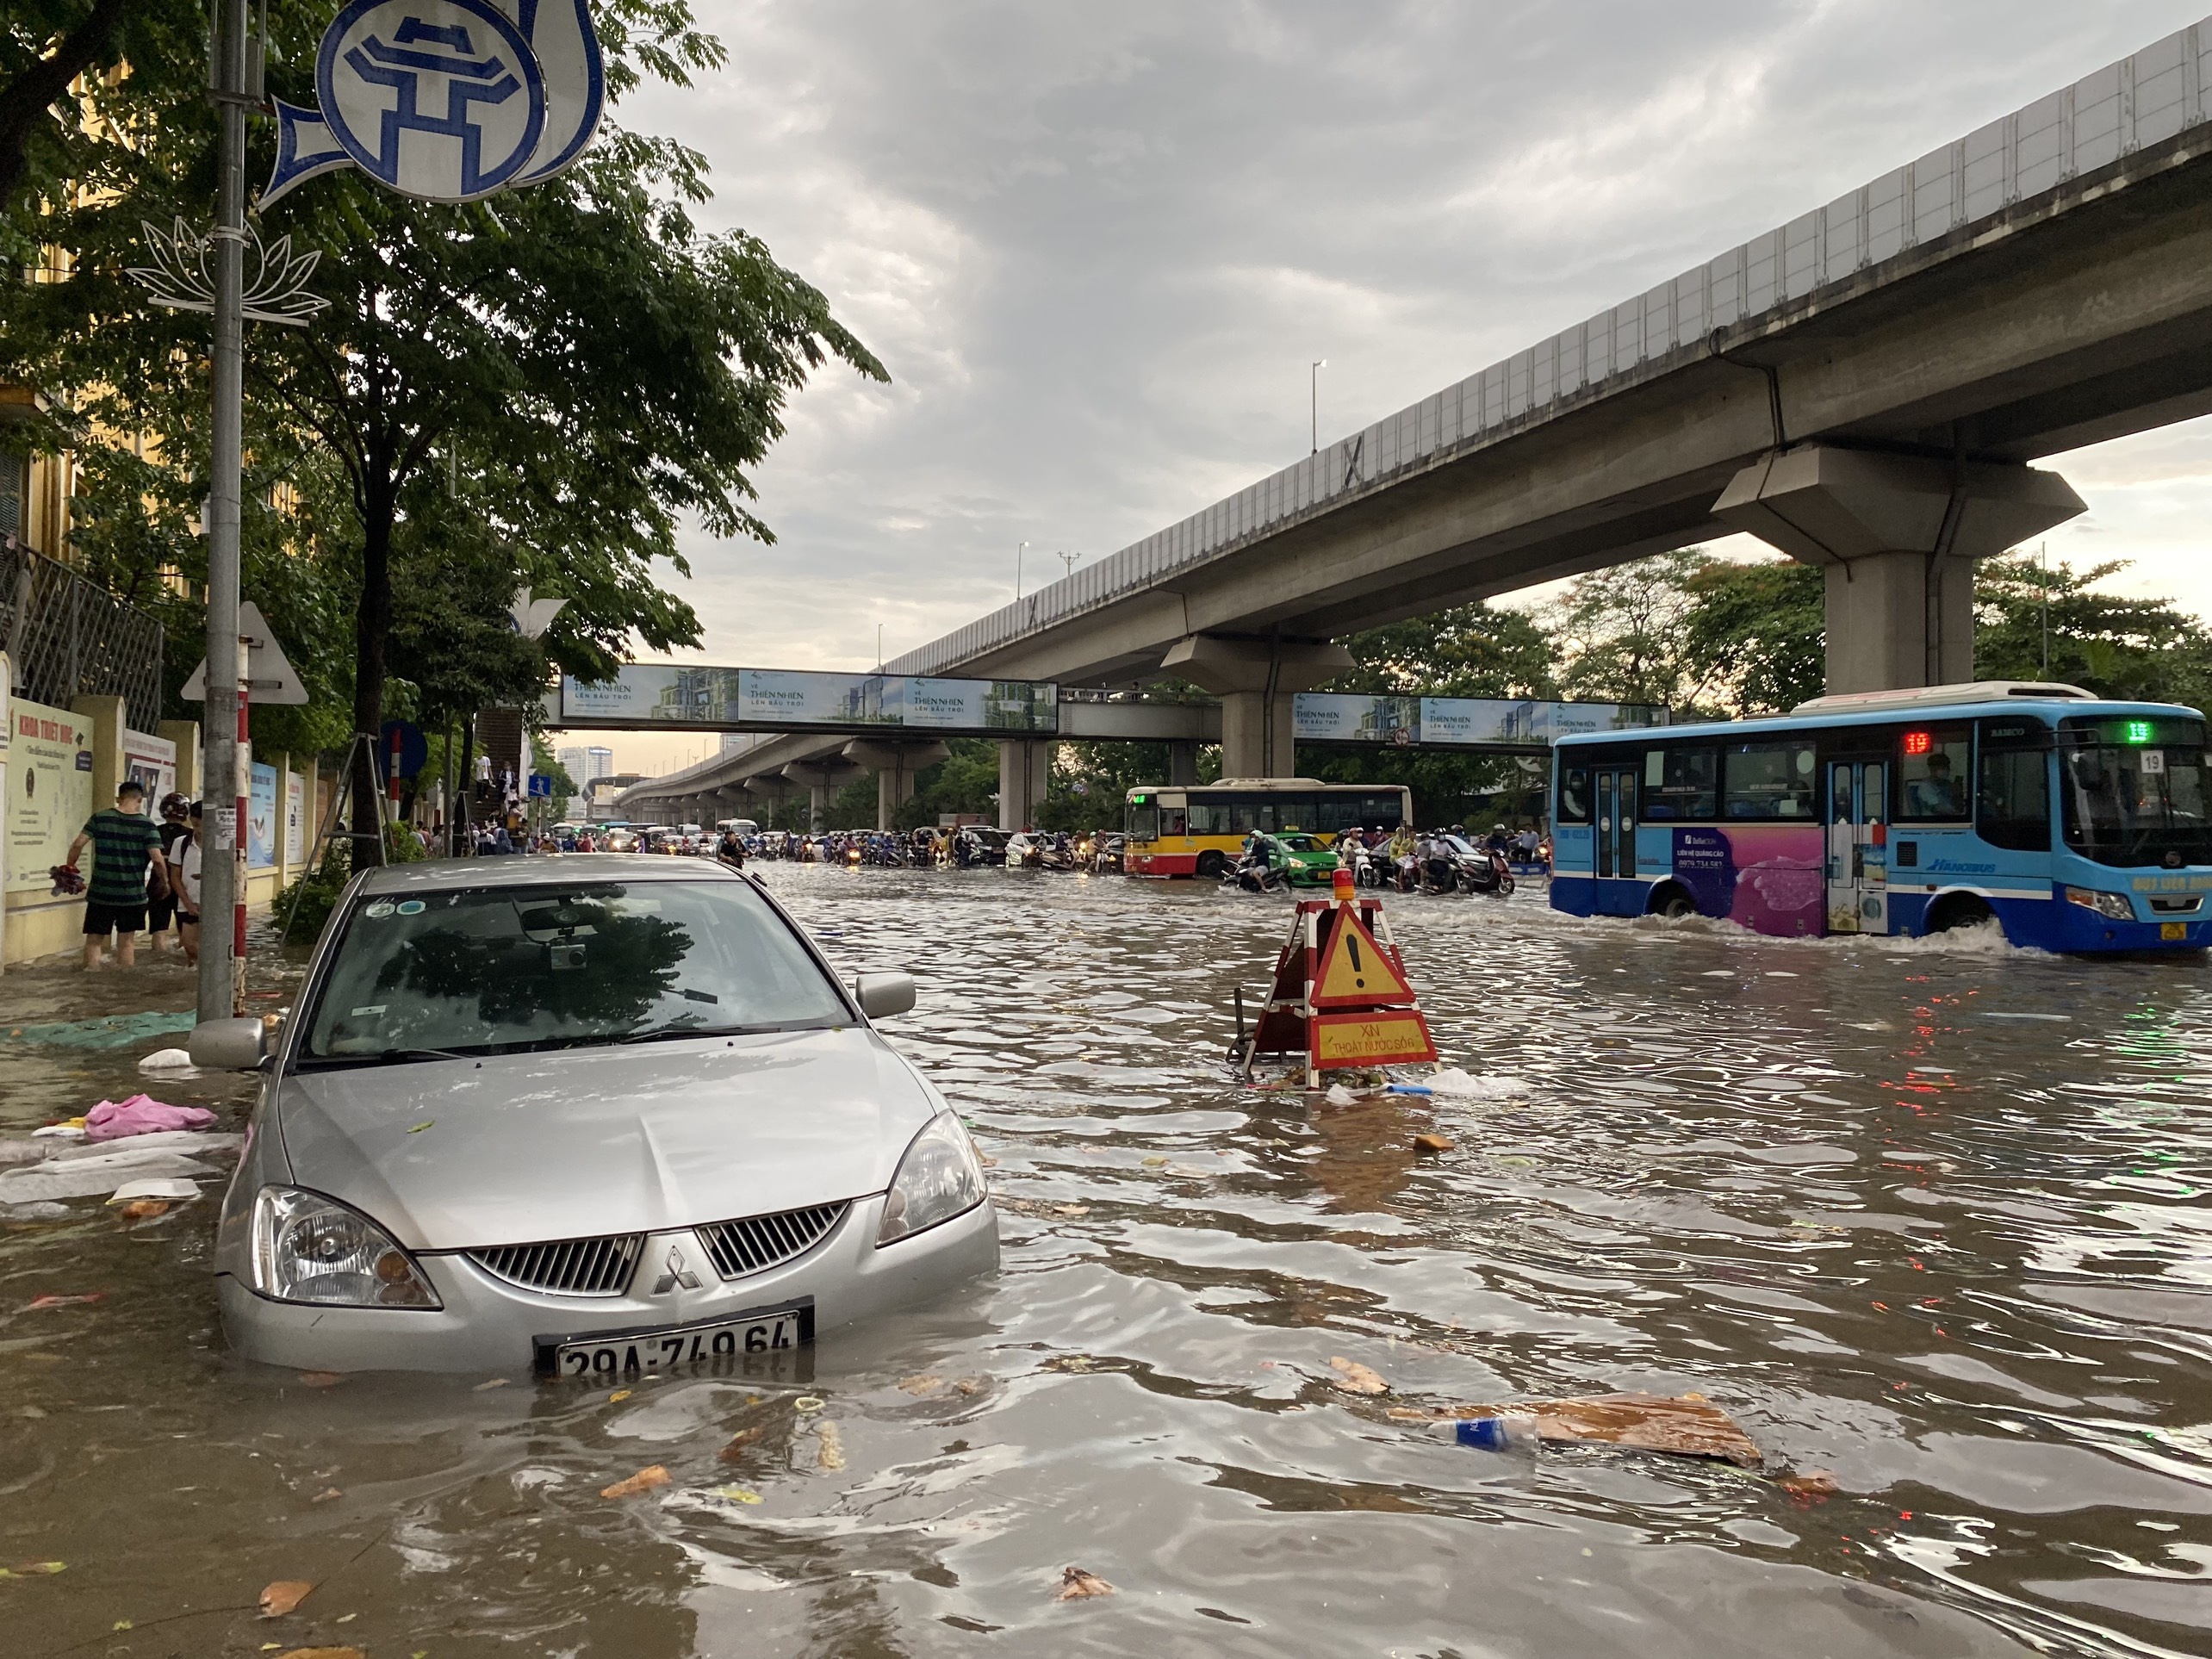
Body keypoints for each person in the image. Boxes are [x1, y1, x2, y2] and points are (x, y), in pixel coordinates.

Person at [64, 779, 171, 970]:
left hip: (101, 892)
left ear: (119, 798)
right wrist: (164, 881)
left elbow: (78, 844)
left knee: (95, 939)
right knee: (127, 941)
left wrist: (69, 867)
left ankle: (91, 977)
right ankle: (123, 982)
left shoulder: (100, 818)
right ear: (140, 800)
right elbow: (157, 860)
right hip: (132, 895)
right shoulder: (147, 825)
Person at [147, 792, 191, 953]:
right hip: (183, 885)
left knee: (159, 928)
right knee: (185, 928)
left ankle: (158, 958)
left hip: (158, 882)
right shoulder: (190, 835)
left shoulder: (153, 832)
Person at [175, 801, 204, 966]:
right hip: (187, 903)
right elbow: (175, 876)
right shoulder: (182, 843)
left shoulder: (223, 844)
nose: (198, 829)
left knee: (213, 948)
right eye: (196, 824)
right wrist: (188, 903)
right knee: (190, 947)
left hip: (215, 906)